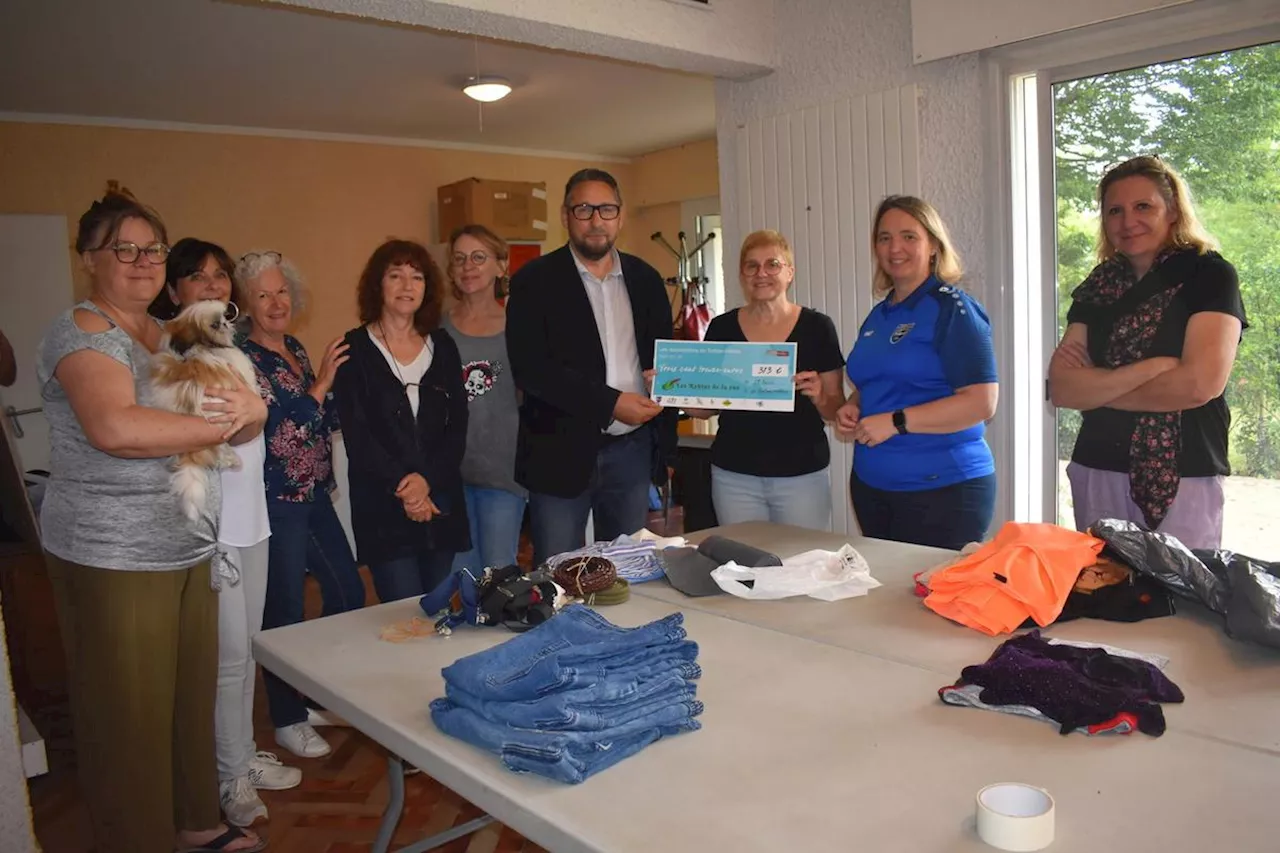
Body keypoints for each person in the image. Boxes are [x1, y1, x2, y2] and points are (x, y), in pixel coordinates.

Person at [37, 186, 266, 852]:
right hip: (113, 552)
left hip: (187, 542)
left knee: (186, 698)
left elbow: (245, 426)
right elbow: (114, 426)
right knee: (128, 714)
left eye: (153, 249)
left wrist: (248, 414)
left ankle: (196, 821)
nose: (142, 262)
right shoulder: (82, 330)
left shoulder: (169, 335)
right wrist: (233, 415)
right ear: (88, 259)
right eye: (123, 249)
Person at [156, 238, 301, 828]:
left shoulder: (229, 344)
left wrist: (256, 412)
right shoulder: (177, 350)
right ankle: (228, 776)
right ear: (174, 291)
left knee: (246, 650)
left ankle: (240, 755)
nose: (214, 286)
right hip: (211, 525)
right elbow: (225, 432)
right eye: (198, 277)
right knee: (227, 657)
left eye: (220, 276)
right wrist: (257, 413)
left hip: (252, 518)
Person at [1049, 155, 1245, 550]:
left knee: (1180, 601)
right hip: (1098, 463)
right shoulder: (1098, 286)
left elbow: (1198, 385)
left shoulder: (1209, 276)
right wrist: (1152, 369)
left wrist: (1100, 389)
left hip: (1184, 470)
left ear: (1172, 211)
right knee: (1106, 595)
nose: (1127, 221)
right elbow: (1064, 390)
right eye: (1114, 211)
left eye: (1143, 207)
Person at [506, 168, 678, 566]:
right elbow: (532, 368)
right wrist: (609, 403)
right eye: (584, 209)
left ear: (620, 216)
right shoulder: (534, 281)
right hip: (558, 452)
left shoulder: (647, 279)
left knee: (626, 569)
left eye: (606, 209)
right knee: (559, 573)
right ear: (565, 216)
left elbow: (662, 359)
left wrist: (673, 400)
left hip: (631, 452)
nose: (596, 220)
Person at [237, 250, 365, 760]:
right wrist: (322, 385)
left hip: (314, 492)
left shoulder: (291, 345)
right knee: (285, 610)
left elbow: (318, 415)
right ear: (246, 304)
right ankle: (286, 718)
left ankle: (313, 691)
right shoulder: (243, 358)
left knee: (348, 591)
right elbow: (276, 428)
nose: (275, 302)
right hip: (277, 500)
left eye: (281, 291)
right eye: (263, 294)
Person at [836, 195, 998, 550]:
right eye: (884, 237)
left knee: (931, 601)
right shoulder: (880, 315)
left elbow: (981, 403)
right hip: (873, 485)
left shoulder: (954, 309)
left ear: (934, 246)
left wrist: (895, 421)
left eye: (909, 236)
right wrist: (854, 403)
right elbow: (879, 380)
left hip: (943, 489)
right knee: (886, 601)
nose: (895, 247)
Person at [333, 239, 469, 601]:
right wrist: (408, 488)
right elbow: (358, 437)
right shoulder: (352, 350)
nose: (407, 286)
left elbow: (457, 428)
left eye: (417, 277)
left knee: (438, 607)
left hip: (440, 500)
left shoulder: (443, 345)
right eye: (396, 275)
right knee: (401, 616)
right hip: (383, 506)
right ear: (378, 284)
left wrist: (426, 483)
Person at [684, 230, 846, 529]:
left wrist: (821, 396)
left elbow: (836, 409)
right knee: (744, 566)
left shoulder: (817, 327)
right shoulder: (721, 328)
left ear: (789, 272)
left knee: (804, 564)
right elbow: (706, 406)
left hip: (801, 475)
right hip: (734, 475)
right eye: (751, 266)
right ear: (742, 274)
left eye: (772, 264)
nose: (761, 273)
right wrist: (668, 388)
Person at [442, 225, 528, 573]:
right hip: (450, 474)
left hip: (504, 473)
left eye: (479, 257)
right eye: (460, 259)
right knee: (457, 579)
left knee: (498, 576)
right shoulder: (436, 326)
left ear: (501, 266)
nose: (468, 267)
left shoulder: (520, 324)